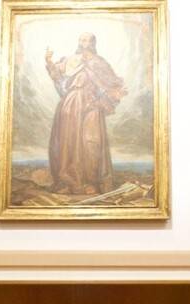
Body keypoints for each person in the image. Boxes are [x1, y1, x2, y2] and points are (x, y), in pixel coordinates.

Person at [44, 33, 126, 196]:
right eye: (82, 39)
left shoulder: (99, 62)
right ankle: (71, 181)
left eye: (88, 40)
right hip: (72, 103)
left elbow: (113, 82)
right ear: (79, 42)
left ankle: (92, 181)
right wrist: (48, 61)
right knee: (69, 141)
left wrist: (116, 92)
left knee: (91, 142)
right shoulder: (71, 60)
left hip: (91, 104)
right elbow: (57, 75)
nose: (85, 43)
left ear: (93, 42)